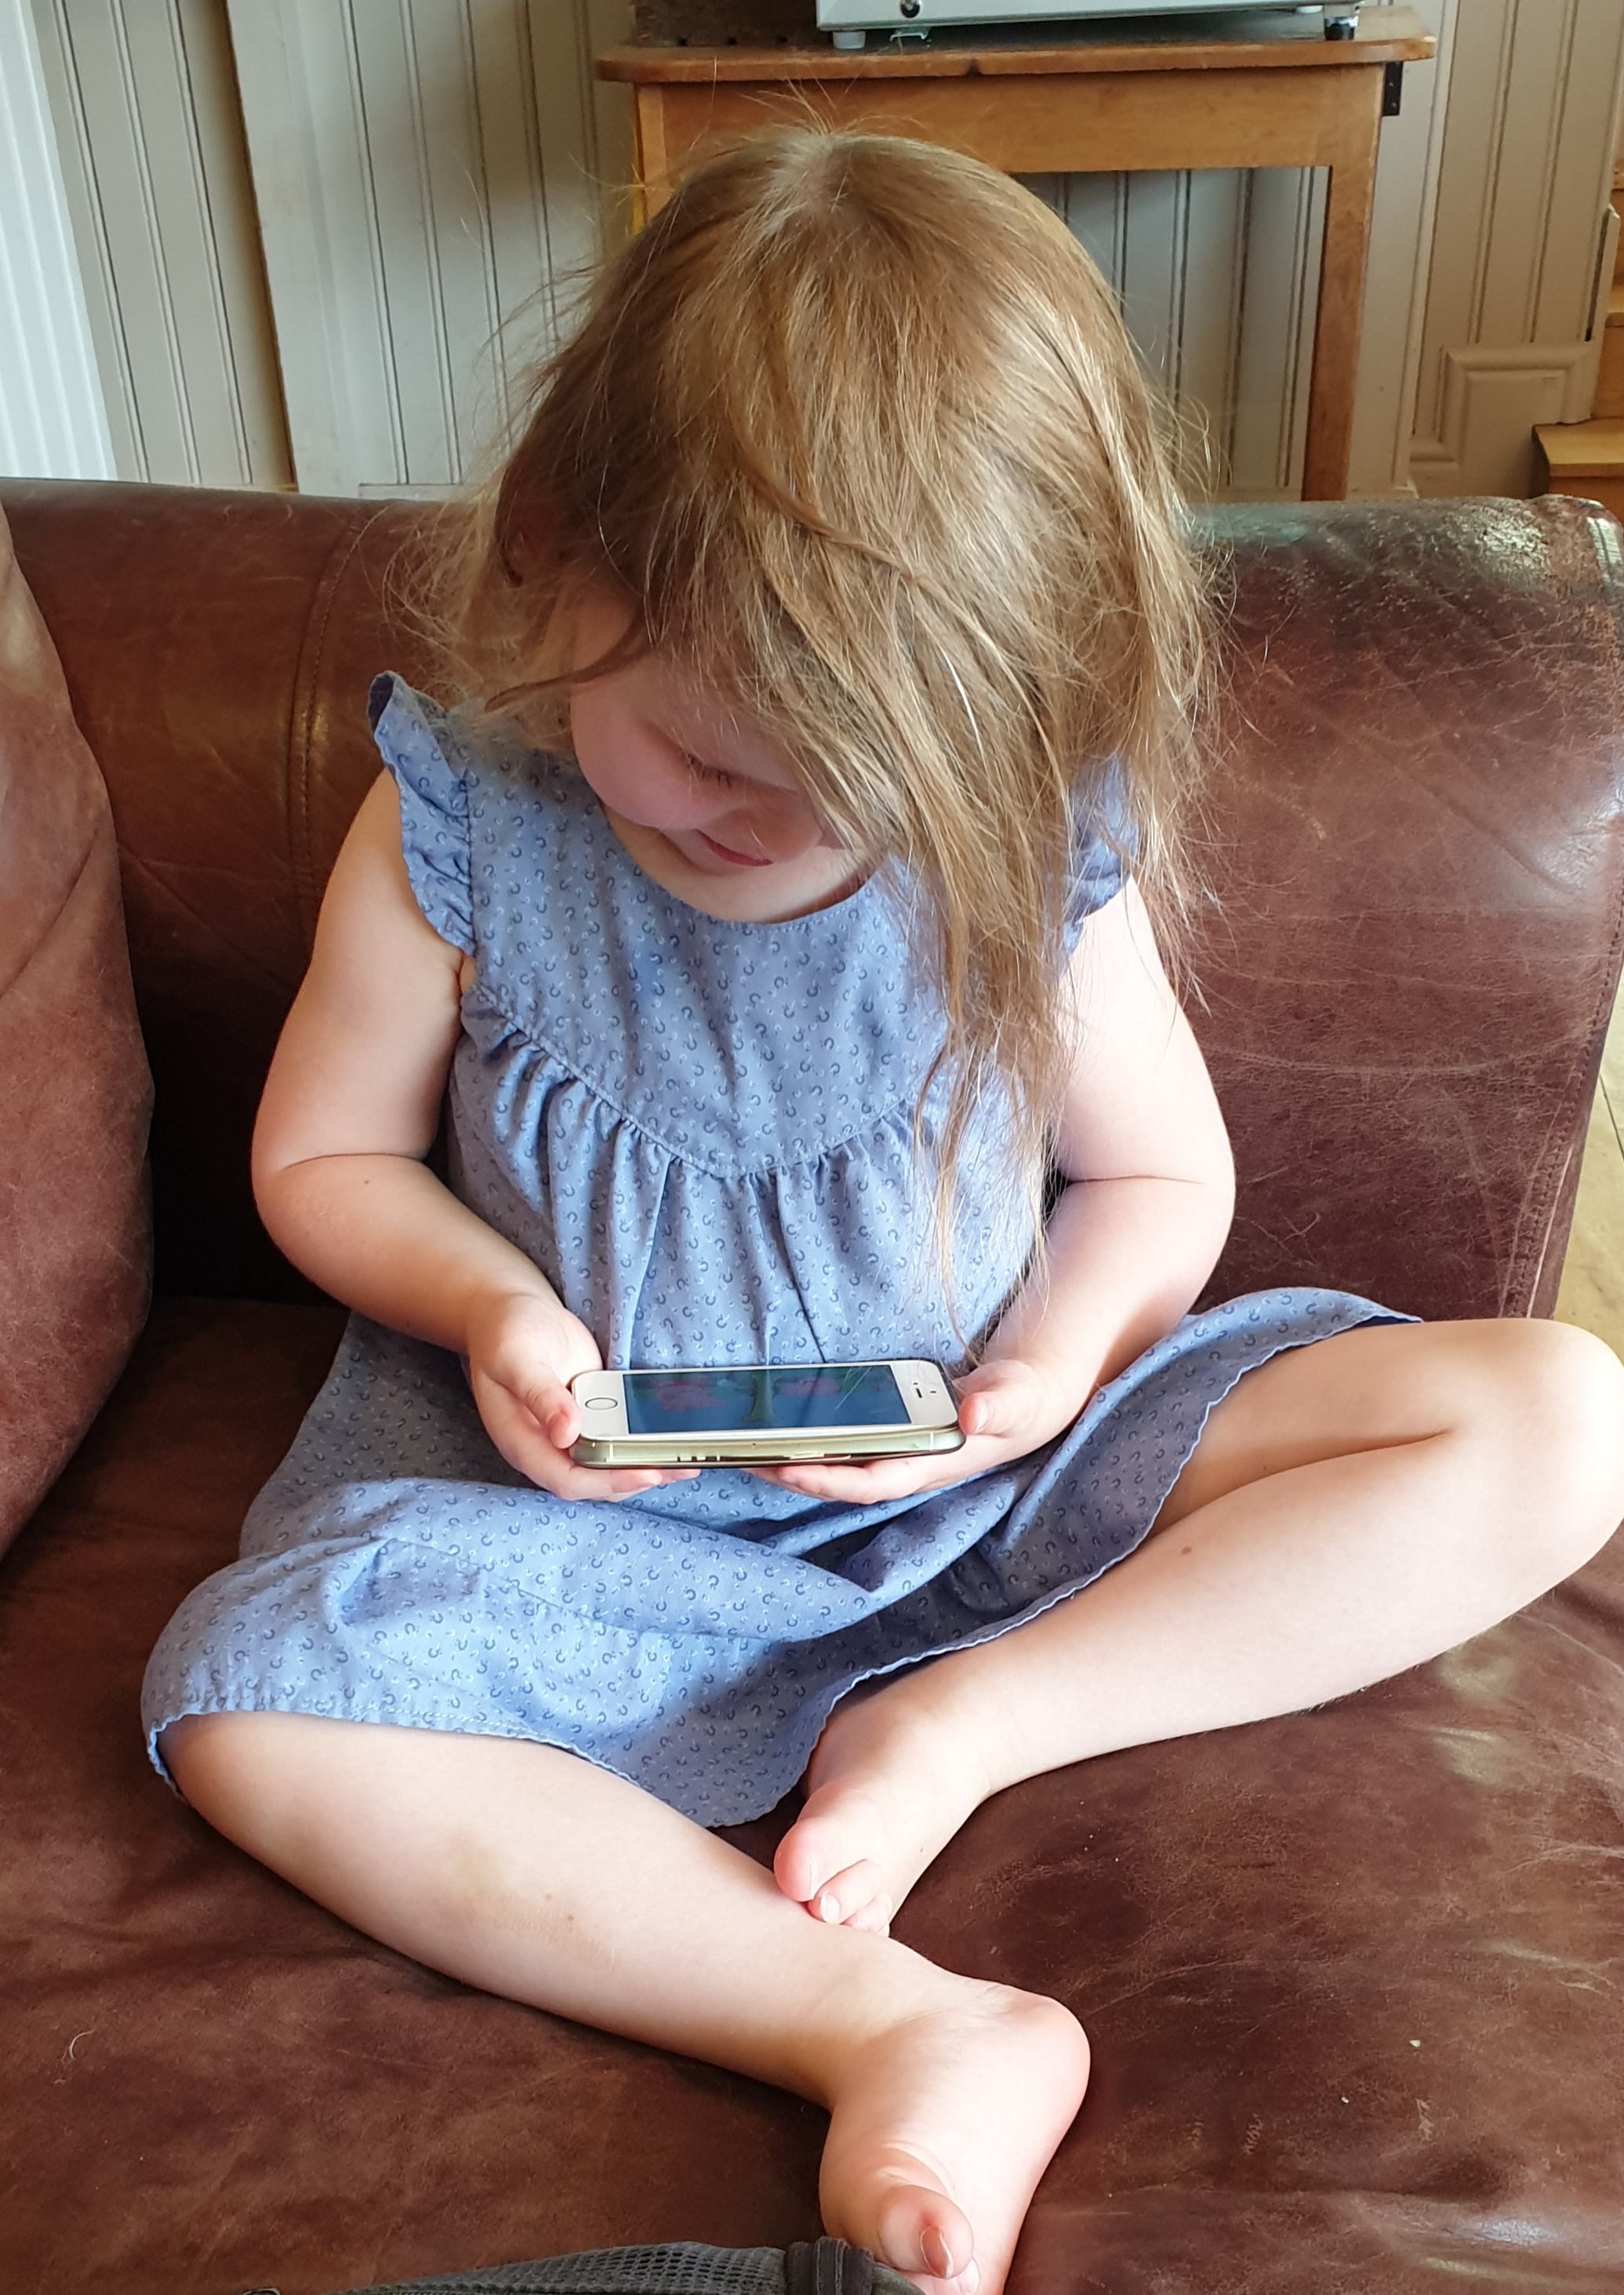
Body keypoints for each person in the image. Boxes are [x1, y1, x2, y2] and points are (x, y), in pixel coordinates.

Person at [143, 131, 1624, 2295]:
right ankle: (886, 2028)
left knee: (1561, 1412)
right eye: (711, 758)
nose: (786, 825)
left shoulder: (1026, 839)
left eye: (874, 783)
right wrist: (486, 1309)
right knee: (241, 1693)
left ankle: (957, 1722)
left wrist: (1050, 1367)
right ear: (556, 555)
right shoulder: (459, 826)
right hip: (593, 1535)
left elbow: (1159, 1178)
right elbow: (321, 1162)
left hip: (993, 1490)